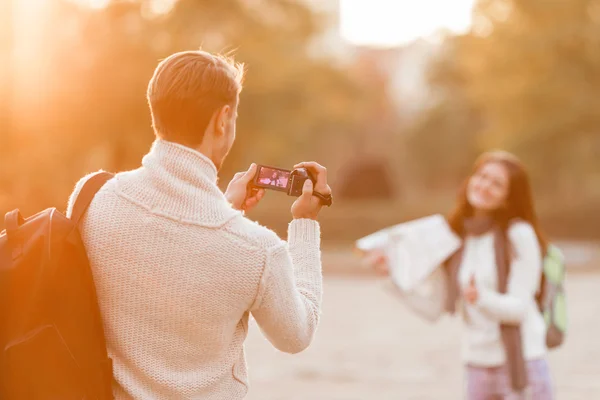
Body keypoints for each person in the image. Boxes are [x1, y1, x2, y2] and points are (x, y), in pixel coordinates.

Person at [66, 50, 331, 399]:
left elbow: (169, 243)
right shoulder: (258, 251)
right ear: (222, 119)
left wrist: (225, 206)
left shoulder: (92, 197)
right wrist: (305, 223)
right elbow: (297, 333)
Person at [370, 151, 553, 400]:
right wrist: (389, 278)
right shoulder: (453, 238)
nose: (485, 185)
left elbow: (518, 309)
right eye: (482, 176)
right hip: (476, 365)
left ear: (508, 199)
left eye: (497, 184)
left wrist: (480, 298)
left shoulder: (519, 235)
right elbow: (434, 309)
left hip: (522, 362)